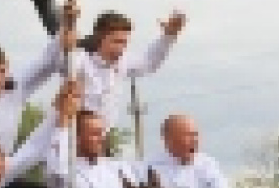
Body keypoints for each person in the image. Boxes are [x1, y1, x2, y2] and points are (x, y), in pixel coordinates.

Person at [55, 10, 187, 130]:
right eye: (116, 42)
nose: (121, 48)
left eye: (124, 43)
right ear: (99, 38)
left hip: (100, 138)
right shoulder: (80, 60)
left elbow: (150, 63)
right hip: (72, 136)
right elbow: (63, 64)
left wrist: (168, 36)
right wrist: (66, 33)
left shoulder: (123, 62)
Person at [143, 114, 231, 188]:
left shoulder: (207, 164)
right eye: (188, 135)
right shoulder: (148, 167)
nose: (195, 140)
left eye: (196, 135)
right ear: (168, 139)